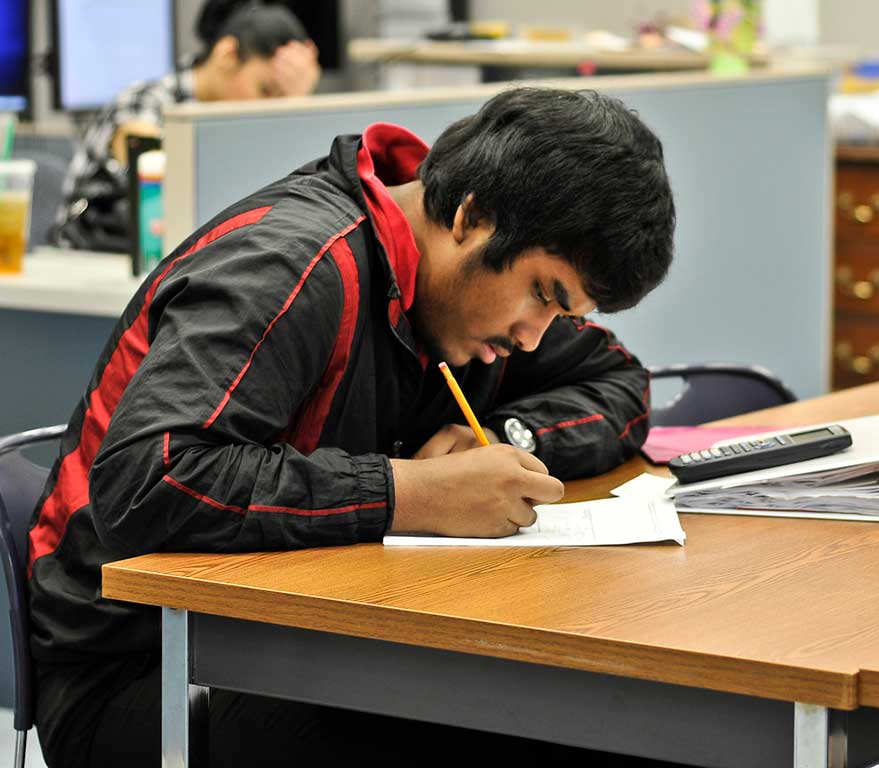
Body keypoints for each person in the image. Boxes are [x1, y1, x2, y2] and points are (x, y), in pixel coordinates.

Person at [29, 87, 677, 767]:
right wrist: (416, 494)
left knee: (600, 706)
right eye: (543, 294)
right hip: (143, 672)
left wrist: (509, 442)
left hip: (310, 635)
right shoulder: (291, 265)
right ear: (472, 218)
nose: (534, 335)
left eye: (564, 314)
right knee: (520, 719)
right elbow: (149, 482)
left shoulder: (474, 304)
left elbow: (622, 387)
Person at [54, 2, 320, 252]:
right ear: (227, 55)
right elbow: (173, 187)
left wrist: (296, 110)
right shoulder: (145, 103)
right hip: (88, 262)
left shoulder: (233, 124)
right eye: (266, 90)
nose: (267, 108)